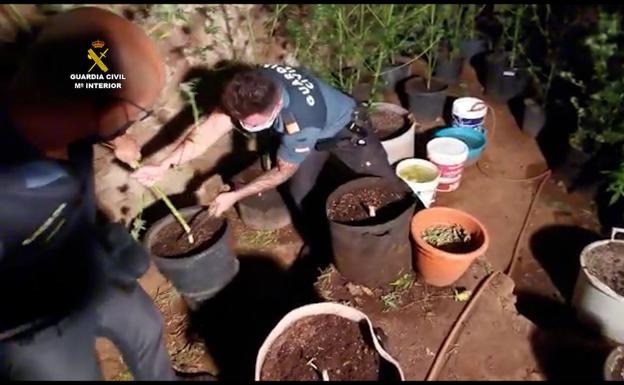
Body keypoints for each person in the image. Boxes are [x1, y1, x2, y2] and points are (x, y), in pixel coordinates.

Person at [0, 7, 213, 381]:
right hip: (33, 325)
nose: (135, 123)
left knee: (144, 328)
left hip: (85, 262)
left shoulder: (55, 101)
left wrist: (118, 138)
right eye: (137, 114)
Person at [128, 64, 405, 242]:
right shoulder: (250, 87)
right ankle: (323, 244)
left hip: (346, 127)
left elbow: (281, 172)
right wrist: (163, 165)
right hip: (311, 127)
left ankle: (403, 232)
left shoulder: (298, 124)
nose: (243, 127)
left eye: (250, 124)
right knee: (302, 195)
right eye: (240, 121)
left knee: (384, 184)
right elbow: (204, 134)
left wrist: (235, 195)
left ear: (274, 108)